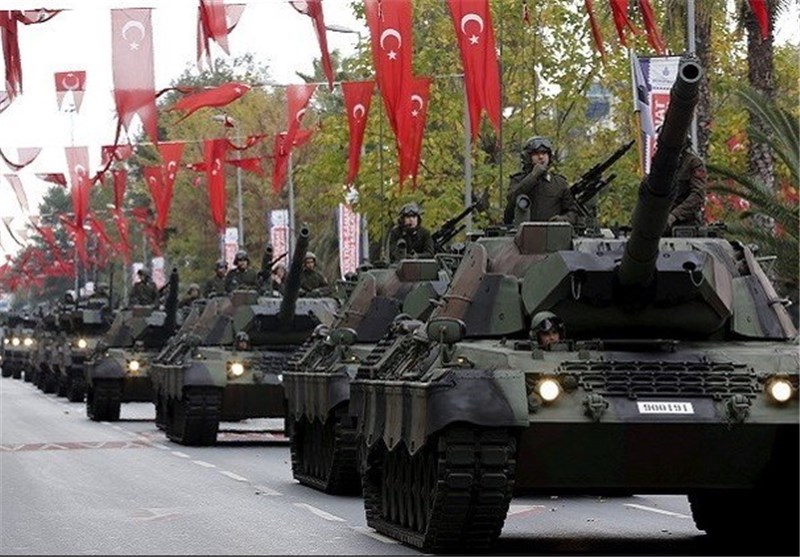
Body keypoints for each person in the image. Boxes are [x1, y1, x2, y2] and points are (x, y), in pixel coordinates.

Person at [503, 136, 579, 226]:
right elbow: (512, 199)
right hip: (524, 232)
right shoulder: (518, 180)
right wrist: (533, 176)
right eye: (536, 153)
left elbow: (573, 212)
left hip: (552, 232)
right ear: (528, 157)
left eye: (544, 153)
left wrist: (563, 220)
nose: (541, 157)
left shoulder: (559, 183)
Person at [665, 142, 707, 234]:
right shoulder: (661, 165)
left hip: (685, 224)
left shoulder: (693, 163)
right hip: (660, 222)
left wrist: (674, 215)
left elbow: (698, 195)